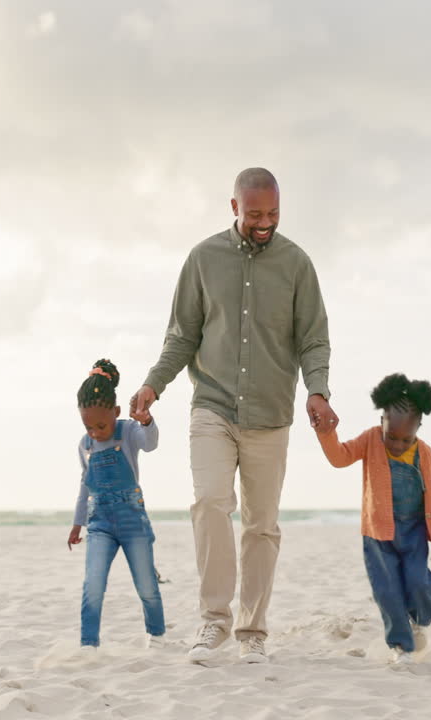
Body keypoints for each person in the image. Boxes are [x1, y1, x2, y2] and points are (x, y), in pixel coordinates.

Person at [129, 168, 337, 664]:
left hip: (270, 413)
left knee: (262, 525)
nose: (265, 222)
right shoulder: (203, 259)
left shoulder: (297, 264)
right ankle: (213, 622)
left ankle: (252, 633)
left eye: (273, 213)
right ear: (234, 207)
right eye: (255, 214)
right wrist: (154, 383)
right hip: (213, 405)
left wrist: (318, 390)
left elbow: (314, 337)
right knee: (209, 503)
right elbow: (182, 335)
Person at [314, 373, 431, 665]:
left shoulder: (424, 452)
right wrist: (326, 433)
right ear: (381, 419)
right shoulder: (370, 440)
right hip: (378, 535)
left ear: (418, 429)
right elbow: (340, 457)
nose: (396, 444)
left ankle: (419, 621)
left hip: (415, 530)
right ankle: (401, 648)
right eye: (391, 436)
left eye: (405, 439)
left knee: (418, 583)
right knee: (387, 592)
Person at [67, 359, 165, 649]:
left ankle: (157, 635)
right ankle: (88, 643)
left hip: (132, 519)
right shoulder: (85, 445)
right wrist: (77, 523)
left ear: (117, 412)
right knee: (93, 584)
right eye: (88, 426)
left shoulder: (129, 432)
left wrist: (146, 420)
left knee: (146, 584)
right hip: (99, 524)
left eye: (101, 424)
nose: (96, 432)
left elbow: (151, 443)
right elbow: (86, 486)